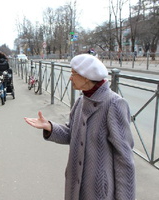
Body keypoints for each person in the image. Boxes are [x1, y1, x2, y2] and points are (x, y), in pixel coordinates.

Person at [24, 54, 136, 200]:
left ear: (86, 77)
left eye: (73, 74)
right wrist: (49, 127)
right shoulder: (81, 101)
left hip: (99, 191)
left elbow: (125, 158)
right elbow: (71, 133)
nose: (70, 78)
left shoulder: (114, 104)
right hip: (75, 186)